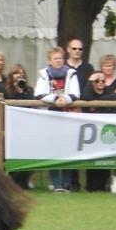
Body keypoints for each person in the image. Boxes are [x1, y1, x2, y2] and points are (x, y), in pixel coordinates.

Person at [34, 46, 80, 192]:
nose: (58, 61)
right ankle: (57, 184)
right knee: (52, 150)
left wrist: (65, 99)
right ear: (50, 61)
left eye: (60, 58)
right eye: (55, 58)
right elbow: (39, 93)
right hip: (50, 116)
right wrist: (55, 99)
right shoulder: (44, 74)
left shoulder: (71, 74)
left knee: (68, 150)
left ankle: (66, 184)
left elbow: (76, 93)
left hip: (67, 115)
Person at [81, 71, 116, 192]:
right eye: (97, 81)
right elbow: (85, 97)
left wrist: (96, 102)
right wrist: (90, 81)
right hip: (92, 131)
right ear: (92, 83)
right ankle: (92, 186)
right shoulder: (88, 92)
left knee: (105, 158)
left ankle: (104, 185)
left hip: (105, 130)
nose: (100, 83)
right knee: (93, 159)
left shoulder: (107, 92)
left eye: (103, 81)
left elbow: (114, 97)